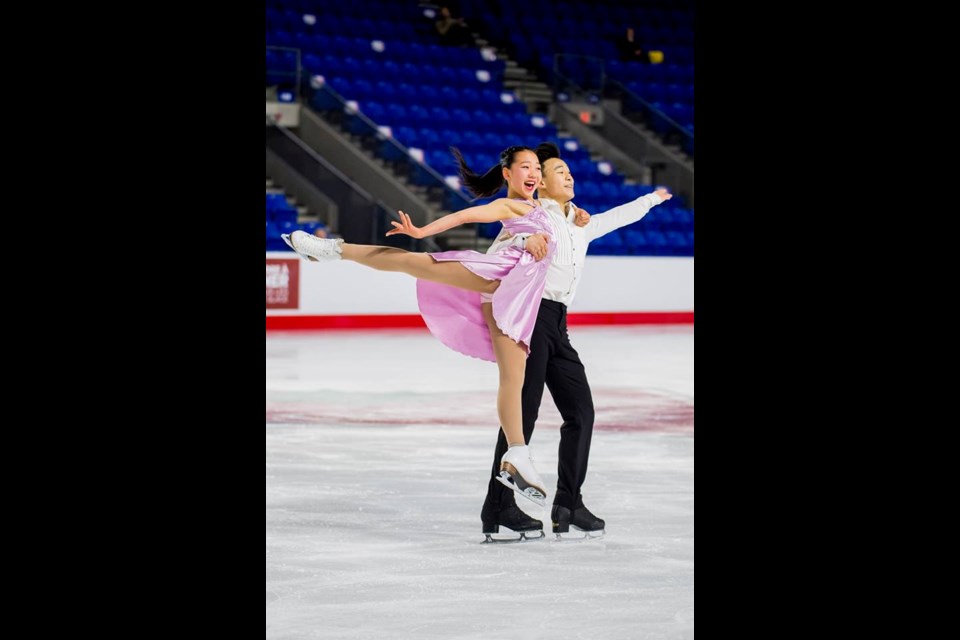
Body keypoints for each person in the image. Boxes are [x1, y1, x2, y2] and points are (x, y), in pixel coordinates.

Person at [282, 145, 589, 509]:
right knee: (414, 262)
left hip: (520, 300)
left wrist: (578, 215)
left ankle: (517, 454)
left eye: (537, 168)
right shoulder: (513, 206)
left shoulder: (547, 209)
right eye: (525, 167)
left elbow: (566, 221)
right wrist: (424, 229)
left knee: (514, 381)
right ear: (507, 174)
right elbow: (468, 217)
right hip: (495, 276)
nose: (534, 174)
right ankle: (332, 248)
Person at [479, 141, 672, 540]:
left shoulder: (580, 223)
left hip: (559, 325)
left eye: (570, 171)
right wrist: (521, 239)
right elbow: (501, 244)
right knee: (523, 415)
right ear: (542, 185)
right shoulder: (535, 215)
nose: (569, 176)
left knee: (581, 413)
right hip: (532, 317)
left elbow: (617, 218)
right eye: (558, 172)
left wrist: (653, 198)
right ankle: (497, 507)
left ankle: (569, 503)